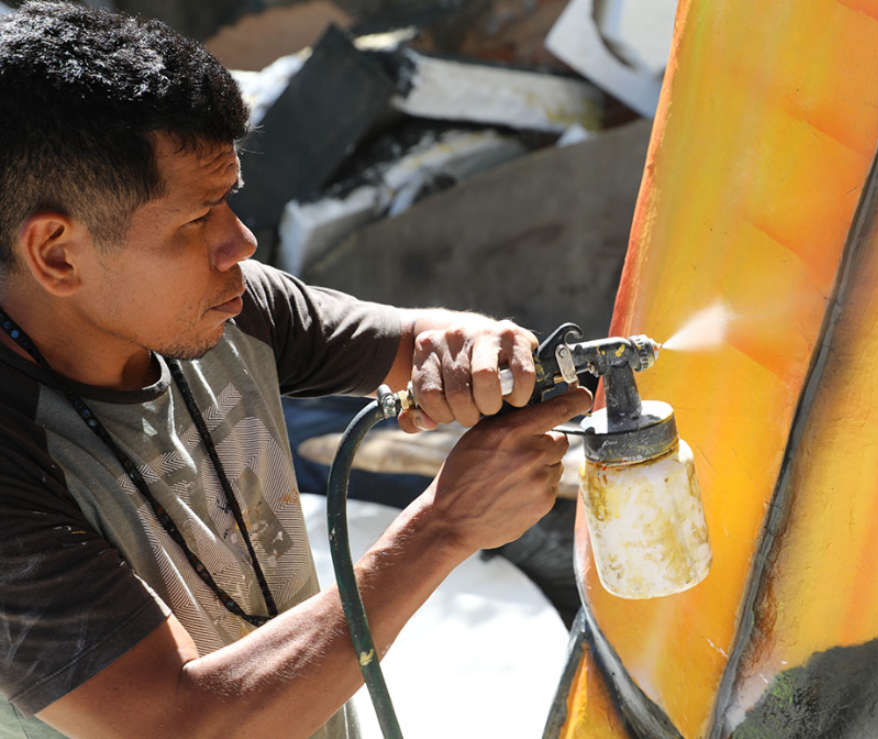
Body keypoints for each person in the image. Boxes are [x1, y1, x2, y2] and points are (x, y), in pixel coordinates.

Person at [0, 3, 593, 738]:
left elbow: (413, 340)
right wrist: (443, 527)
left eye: (230, 199)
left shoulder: (228, 305)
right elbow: (183, 726)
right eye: (197, 218)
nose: (242, 242)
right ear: (56, 253)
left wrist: (473, 347)